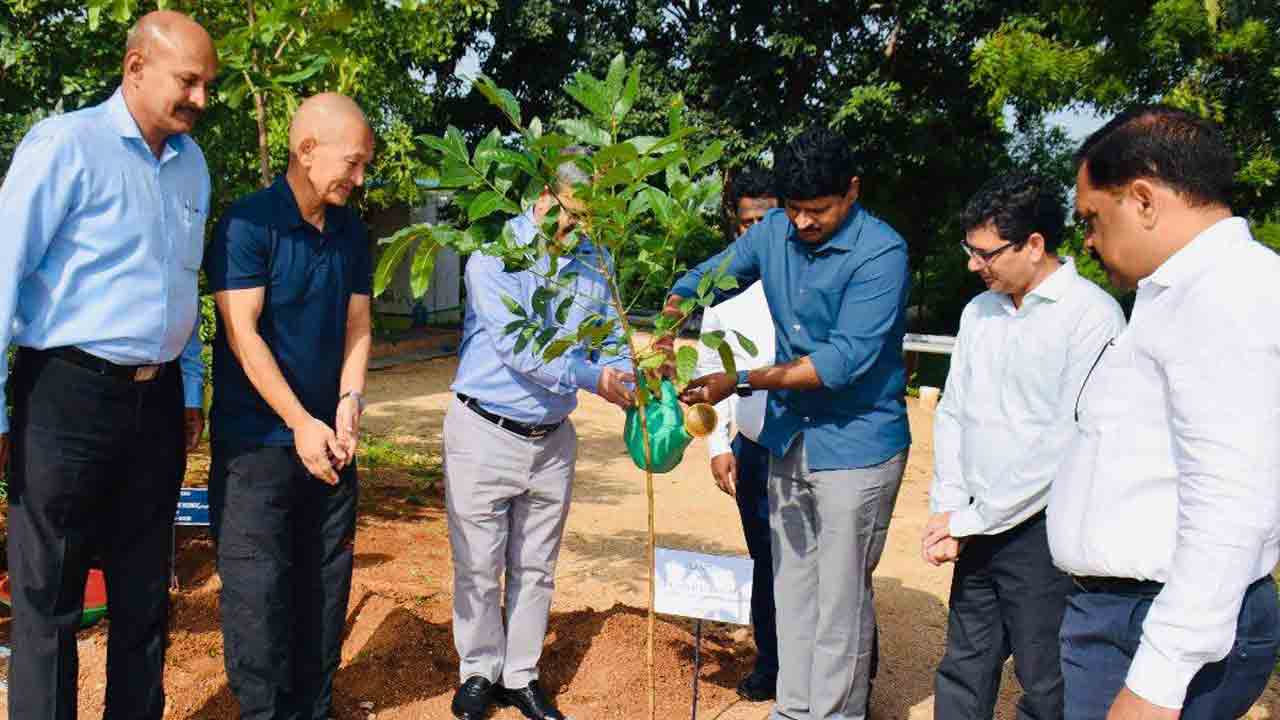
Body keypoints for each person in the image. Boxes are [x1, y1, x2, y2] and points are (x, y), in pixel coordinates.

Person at [0, 11, 215, 718]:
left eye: (207, 85)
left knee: (144, 595)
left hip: (154, 411)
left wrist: (187, 391)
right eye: (189, 81)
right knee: (49, 602)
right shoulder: (66, 146)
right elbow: (3, 275)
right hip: (65, 398)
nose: (201, 100)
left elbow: (182, 285)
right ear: (135, 68)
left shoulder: (193, 166)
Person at [671, 127, 910, 720]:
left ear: (851, 192)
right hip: (790, 440)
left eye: (818, 211)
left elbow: (840, 363)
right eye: (796, 210)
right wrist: (673, 308)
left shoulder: (882, 253)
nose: (803, 224)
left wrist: (742, 381)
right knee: (794, 585)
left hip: (855, 445)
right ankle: (794, 709)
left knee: (838, 598)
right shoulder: (775, 230)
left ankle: (834, 715)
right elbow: (716, 274)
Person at [1050, 105, 1280, 719]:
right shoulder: (1182, 294)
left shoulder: (1225, 296)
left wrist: (1157, 681)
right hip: (1131, 613)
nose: (1089, 241)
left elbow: (1231, 502)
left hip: (1152, 622)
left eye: (1094, 219)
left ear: (1144, 200)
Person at [923, 173, 1125, 719]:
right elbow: (955, 411)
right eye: (970, 251)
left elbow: (1065, 441)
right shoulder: (979, 312)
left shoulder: (1092, 316)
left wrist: (972, 519)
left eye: (985, 253)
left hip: (1043, 529)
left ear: (1034, 244)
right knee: (966, 661)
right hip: (976, 520)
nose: (973, 265)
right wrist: (950, 506)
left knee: (1045, 674)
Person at [445, 148, 635, 720]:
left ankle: (520, 672)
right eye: (570, 217)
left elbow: (611, 340)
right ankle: (478, 669)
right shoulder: (497, 252)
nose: (576, 232)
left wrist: (632, 373)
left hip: (552, 438)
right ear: (545, 196)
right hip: (485, 430)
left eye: (588, 223)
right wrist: (593, 377)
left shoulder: (595, 263)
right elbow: (519, 347)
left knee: (537, 564)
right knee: (478, 563)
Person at [203, 93, 374, 720]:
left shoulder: (352, 231)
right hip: (257, 451)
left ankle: (314, 708)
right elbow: (243, 334)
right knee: (258, 597)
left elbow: (358, 326)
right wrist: (300, 421)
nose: (359, 179)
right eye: (352, 164)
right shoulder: (248, 225)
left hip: (330, 447)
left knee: (325, 590)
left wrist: (349, 401)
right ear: (307, 150)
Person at [694, 163, 781, 702]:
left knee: (826, 564)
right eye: (746, 221)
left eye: (766, 219)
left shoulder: (807, 280)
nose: (755, 231)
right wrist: (718, 444)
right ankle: (771, 662)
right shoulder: (721, 293)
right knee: (765, 559)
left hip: (813, 446)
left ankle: (843, 675)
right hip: (751, 446)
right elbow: (709, 367)